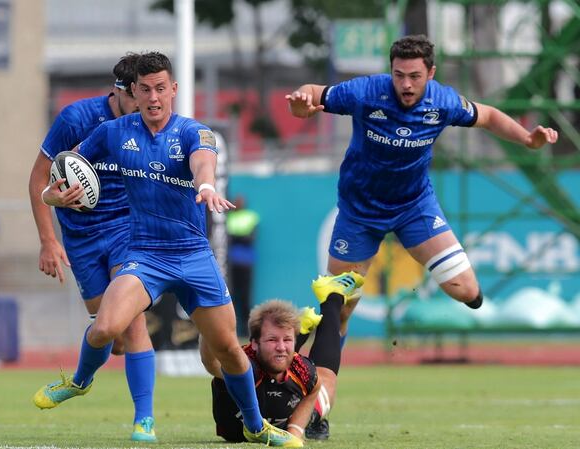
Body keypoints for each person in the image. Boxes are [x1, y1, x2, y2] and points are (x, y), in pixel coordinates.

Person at [285, 34, 560, 439]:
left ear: (430, 74)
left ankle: (306, 338)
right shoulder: (366, 92)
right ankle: (315, 411)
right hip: (359, 214)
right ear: (390, 71)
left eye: (415, 76)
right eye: (399, 75)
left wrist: (527, 139)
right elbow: (314, 94)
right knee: (336, 309)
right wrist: (300, 104)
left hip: (414, 208)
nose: (407, 85)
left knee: (467, 291)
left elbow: (486, 115)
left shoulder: (443, 102)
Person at [32, 51, 302, 447]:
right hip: (145, 255)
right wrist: (53, 197)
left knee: (228, 348)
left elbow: (203, 162)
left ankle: (255, 426)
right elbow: (64, 171)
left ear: (173, 89)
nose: (154, 97)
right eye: (145, 89)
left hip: (194, 256)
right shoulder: (113, 133)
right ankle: (78, 381)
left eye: (161, 88)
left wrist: (206, 185)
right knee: (106, 327)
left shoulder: (194, 131)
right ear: (134, 92)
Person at [27, 53, 158, 442]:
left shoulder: (152, 123)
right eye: (140, 94)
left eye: (154, 93)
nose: (149, 103)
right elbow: (37, 181)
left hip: (127, 231)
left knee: (132, 321)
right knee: (110, 334)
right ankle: (83, 380)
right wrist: (48, 241)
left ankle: (144, 421)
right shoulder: (76, 119)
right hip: (81, 239)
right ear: (121, 91)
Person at [203, 271, 363, 443]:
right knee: (280, 355)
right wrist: (208, 326)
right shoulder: (244, 364)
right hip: (235, 432)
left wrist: (294, 432)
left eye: (288, 339)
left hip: (285, 424)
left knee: (326, 381)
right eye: (272, 339)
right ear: (254, 342)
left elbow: (315, 388)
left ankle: (331, 297)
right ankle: (318, 313)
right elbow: (211, 363)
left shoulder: (302, 370)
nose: (281, 347)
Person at [226, 196, 260, 336]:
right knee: (230, 297)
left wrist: (235, 237)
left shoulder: (251, 217)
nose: (238, 203)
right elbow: (226, 239)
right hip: (229, 264)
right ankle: (231, 330)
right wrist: (239, 237)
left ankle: (247, 331)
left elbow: (249, 239)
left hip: (246, 263)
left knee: (246, 297)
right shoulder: (227, 218)